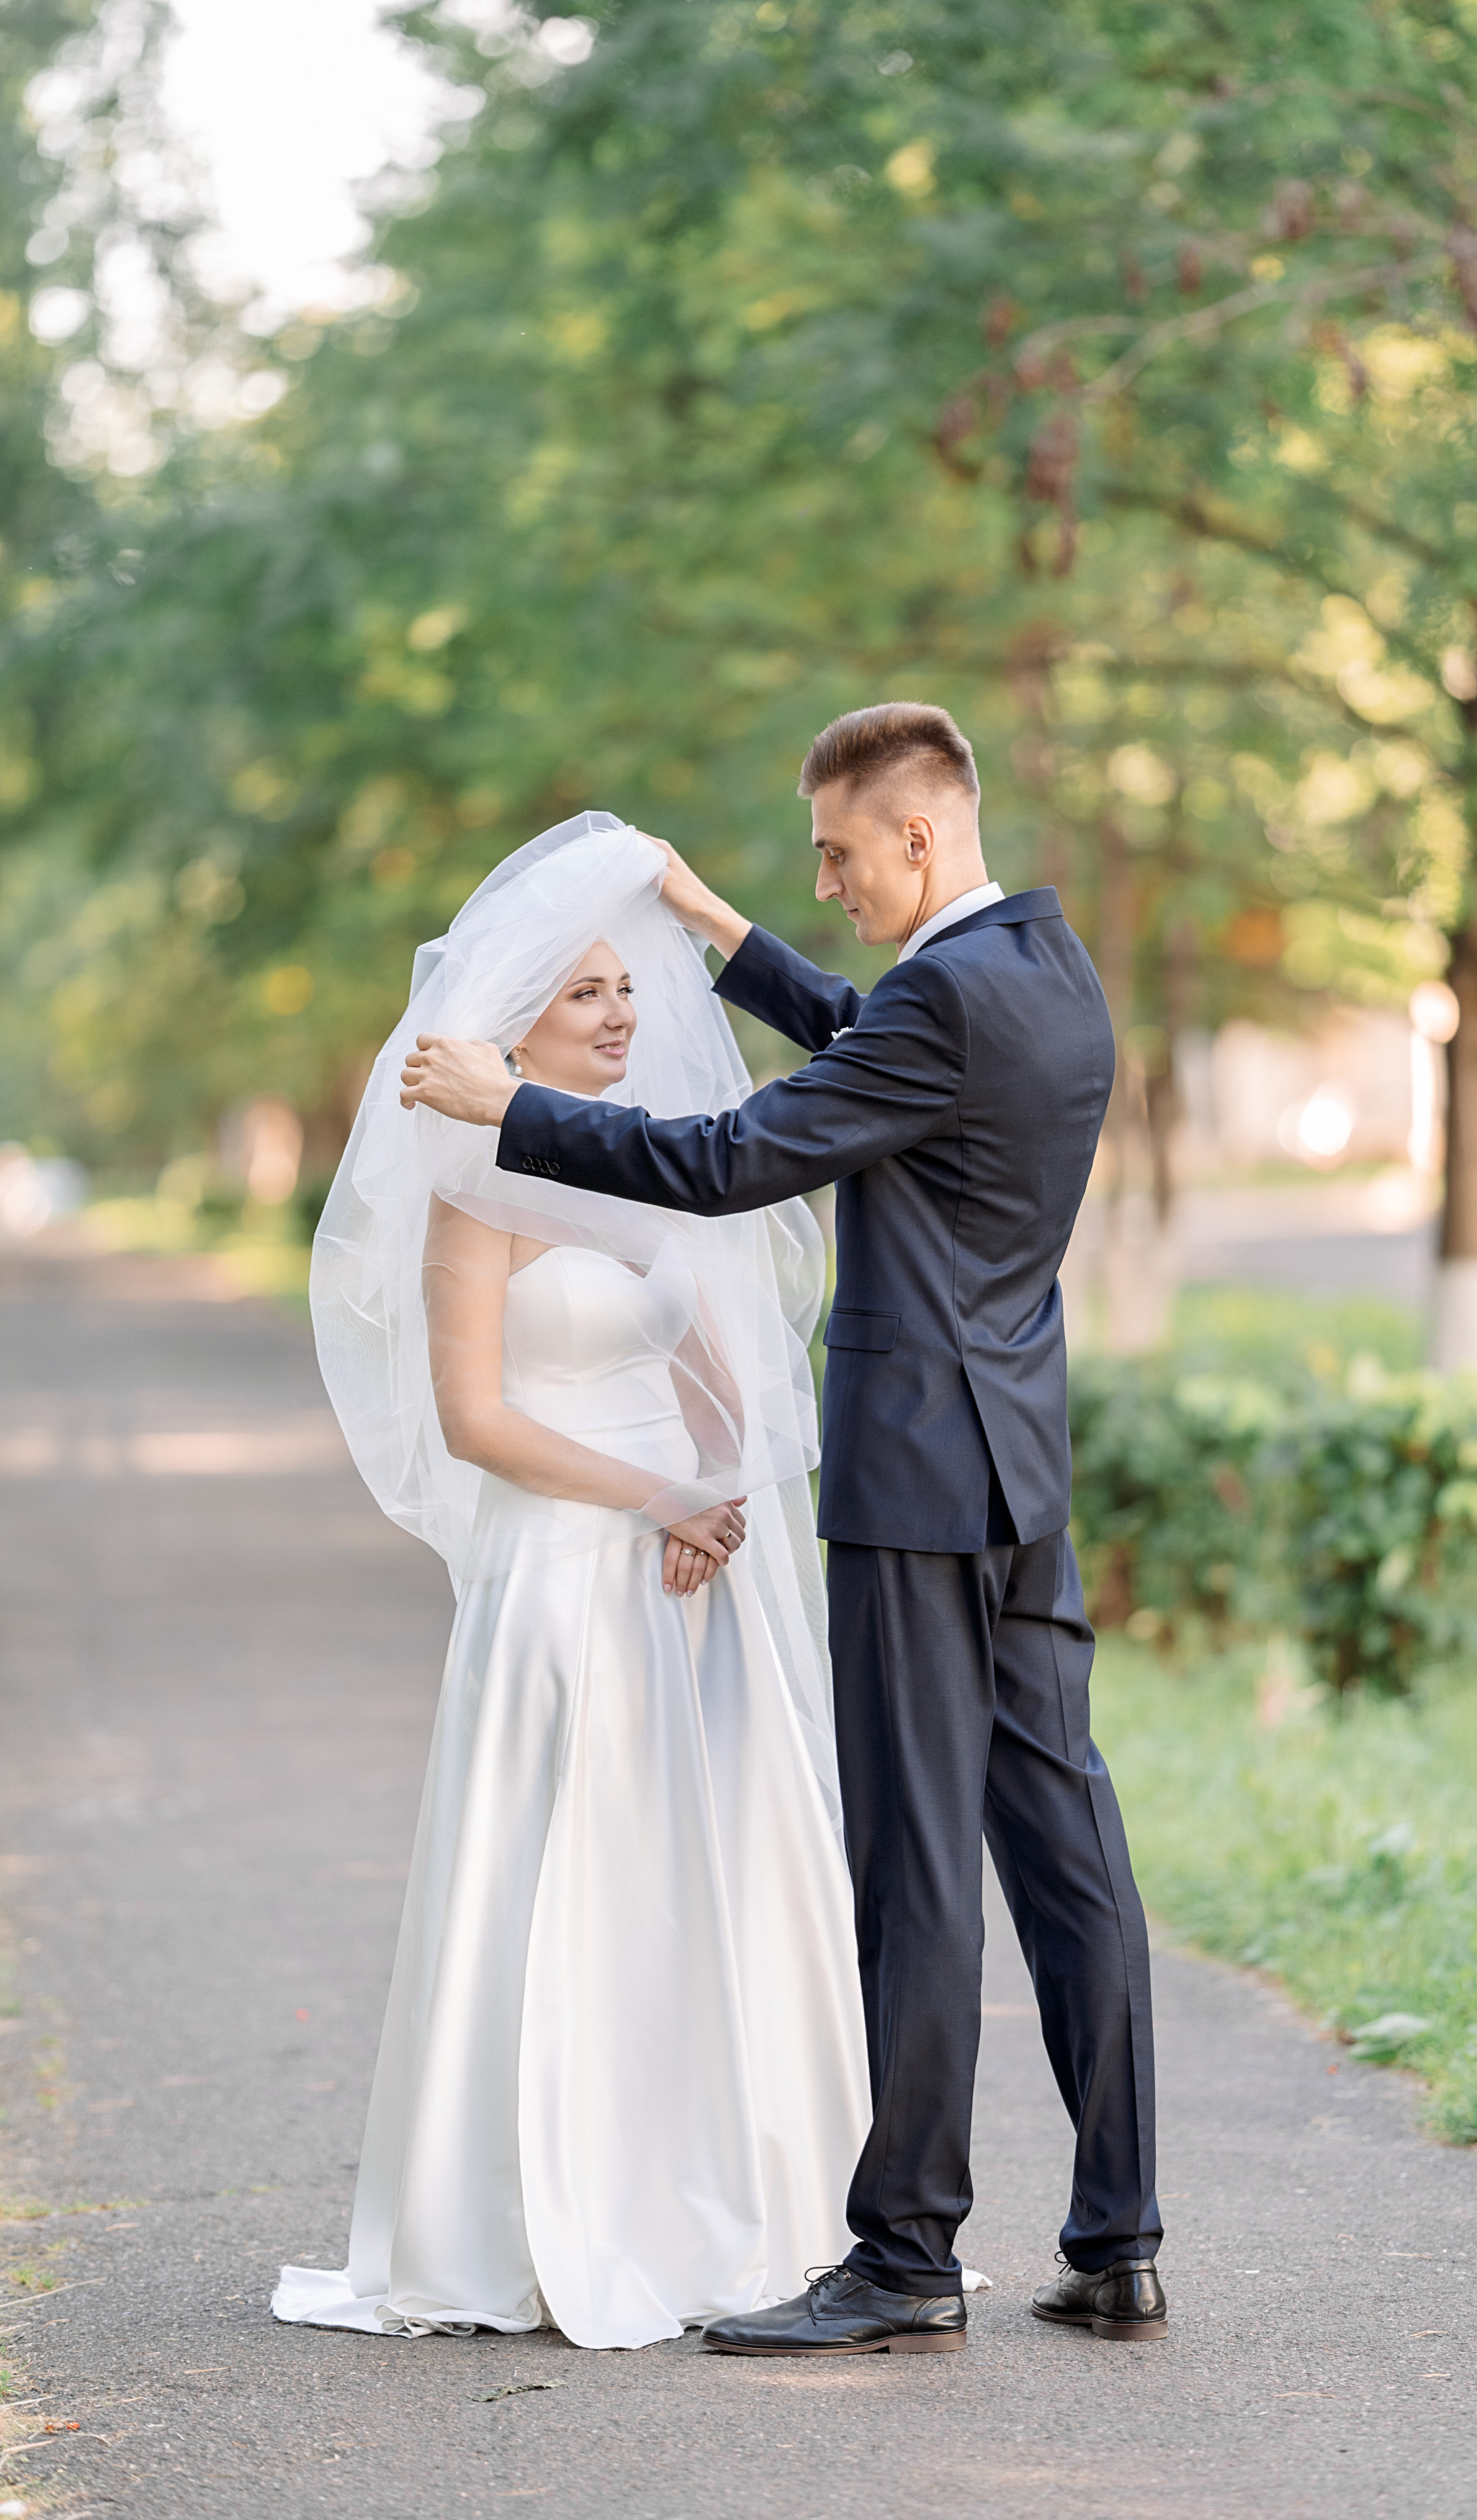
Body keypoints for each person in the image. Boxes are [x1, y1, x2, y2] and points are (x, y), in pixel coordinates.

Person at [401, 706, 1167, 2358]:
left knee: (914, 1865)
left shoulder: (947, 999)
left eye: (834, 852)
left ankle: (901, 2251)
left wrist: (507, 1107)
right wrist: (708, 919)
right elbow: (872, 1039)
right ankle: (1118, 2234)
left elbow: (743, 1152)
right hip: (1023, 1471)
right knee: (1067, 1843)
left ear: (916, 837)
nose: (820, 882)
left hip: (913, 1480)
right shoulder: (1046, 966)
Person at [273, 814, 871, 2349]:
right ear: (516, 1017)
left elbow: (719, 1361)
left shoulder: (653, 1161)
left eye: (628, 987)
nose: (625, 1012)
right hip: (565, 1578)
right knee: (565, 1893)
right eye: (588, 993)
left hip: (690, 1561)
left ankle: (748, 2198)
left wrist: (719, 1487)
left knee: (720, 1872)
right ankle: (540, 2214)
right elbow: (478, 1420)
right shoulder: (475, 1192)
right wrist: (661, 1491)